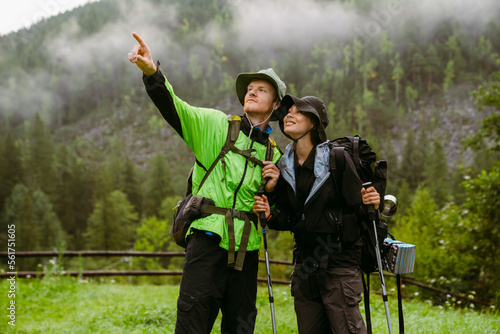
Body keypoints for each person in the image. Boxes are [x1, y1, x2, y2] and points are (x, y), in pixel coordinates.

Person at [128, 32, 284, 333]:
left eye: (261, 90)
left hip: (247, 251)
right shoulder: (216, 125)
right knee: (192, 322)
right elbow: (177, 110)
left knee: (241, 327)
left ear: (275, 105)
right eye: (249, 89)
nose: (251, 92)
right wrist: (152, 74)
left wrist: (274, 190)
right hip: (206, 243)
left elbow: (278, 208)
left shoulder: (273, 153)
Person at [253, 95, 381, 334]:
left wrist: (371, 203)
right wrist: (270, 213)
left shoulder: (337, 158)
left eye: (298, 111)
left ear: (314, 123)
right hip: (304, 269)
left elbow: (360, 208)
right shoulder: (283, 164)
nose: (289, 115)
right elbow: (289, 219)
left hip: (340, 267)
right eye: (288, 111)